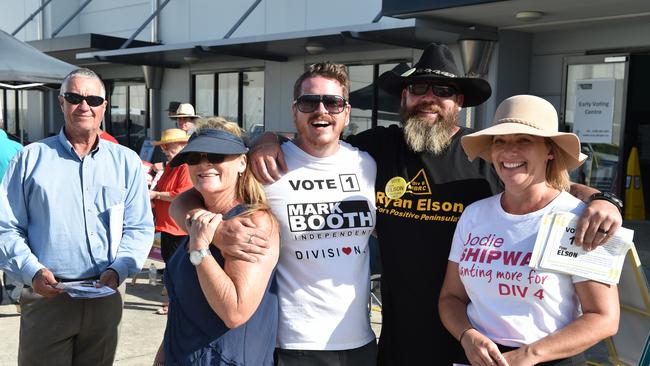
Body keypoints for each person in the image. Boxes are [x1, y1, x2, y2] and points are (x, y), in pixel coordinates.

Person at [246, 43, 623, 365]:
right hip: (399, 335)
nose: (428, 97)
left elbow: (554, 186)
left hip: (476, 338)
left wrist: (605, 200)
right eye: (418, 88)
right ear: (404, 98)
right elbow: (319, 138)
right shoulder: (378, 148)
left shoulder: (489, 153)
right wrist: (265, 140)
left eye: (441, 90)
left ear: (457, 101)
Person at [171, 63, 378, 366]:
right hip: (292, 343)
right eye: (309, 102)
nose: (321, 110)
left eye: (332, 102)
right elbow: (189, 196)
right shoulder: (268, 165)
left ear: (346, 112)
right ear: (295, 111)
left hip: (359, 341)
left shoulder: (368, 165)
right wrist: (214, 231)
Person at [439, 94, 620, 365]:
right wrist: (467, 336)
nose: (510, 151)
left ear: (549, 150)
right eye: (500, 141)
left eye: (524, 139)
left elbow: (604, 318)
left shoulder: (580, 219)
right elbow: (451, 297)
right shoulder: (474, 215)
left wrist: (528, 355)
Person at [0, 68, 154, 366]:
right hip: (48, 297)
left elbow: (138, 226)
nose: (84, 105)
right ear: (61, 103)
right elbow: (6, 226)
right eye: (74, 97)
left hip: (106, 296)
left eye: (93, 99)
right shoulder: (30, 158)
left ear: (104, 107)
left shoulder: (126, 161)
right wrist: (31, 270)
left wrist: (120, 269)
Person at [152, 118, 280, 366]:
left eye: (217, 155)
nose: (204, 163)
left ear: (242, 162)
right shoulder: (198, 214)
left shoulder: (252, 224)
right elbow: (181, 309)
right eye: (194, 158)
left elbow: (235, 312)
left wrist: (201, 250)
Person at [149, 128, 193, 315]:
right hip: (167, 225)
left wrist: (156, 194)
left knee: (177, 269)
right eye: (164, 146)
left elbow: (181, 194)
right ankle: (172, 302)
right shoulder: (171, 165)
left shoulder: (184, 166)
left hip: (178, 227)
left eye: (169, 146)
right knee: (170, 267)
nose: (165, 149)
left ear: (183, 146)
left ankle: (174, 304)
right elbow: (161, 188)